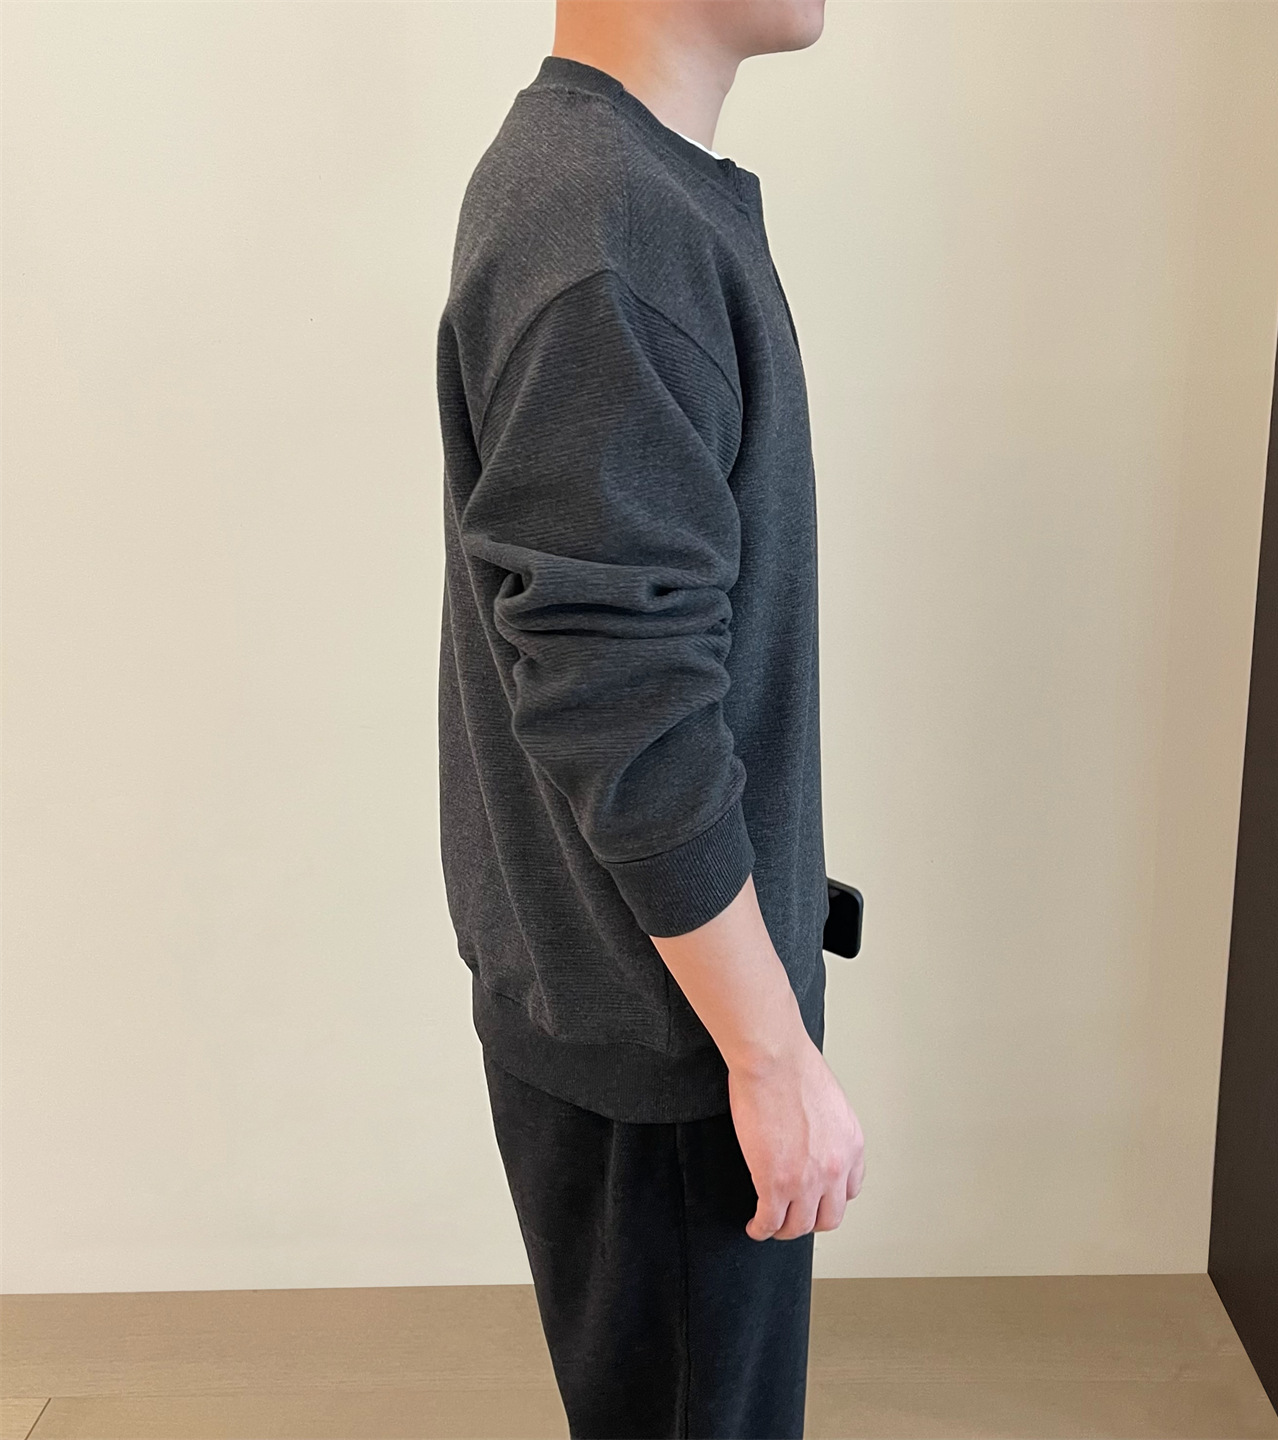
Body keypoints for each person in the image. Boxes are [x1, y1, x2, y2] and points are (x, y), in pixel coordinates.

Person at [434, 2, 865, 1434]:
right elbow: (617, 692)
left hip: (655, 1015)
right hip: (671, 1052)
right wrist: (768, 1056)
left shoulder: (617, 194)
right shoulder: (607, 224)